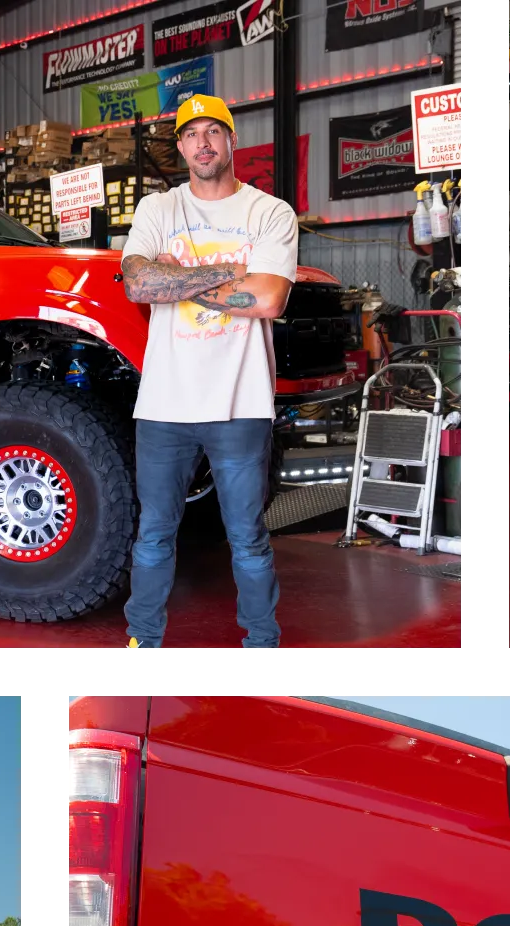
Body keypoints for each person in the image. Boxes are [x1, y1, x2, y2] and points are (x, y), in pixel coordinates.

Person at [117, 93, 299, 648]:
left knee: (247, 538)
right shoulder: (157, 210)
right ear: (180, 146)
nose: (203, 143)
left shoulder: (269, 213)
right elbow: (139, 284)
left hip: (239, 404)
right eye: (191, 134)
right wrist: (228, 271)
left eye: (213, 131)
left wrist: (182, 277)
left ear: (231, 140)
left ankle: (261, 643)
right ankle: (143, 641)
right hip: (164, 406)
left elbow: (268, 299)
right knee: (153, 534)